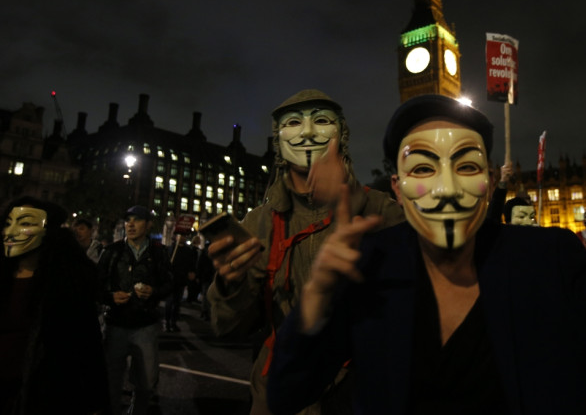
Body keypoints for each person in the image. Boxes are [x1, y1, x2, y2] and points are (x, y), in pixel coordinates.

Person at [267, 96, 586, 414]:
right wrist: (312, 308)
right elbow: (287, 395)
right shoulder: (369, 264)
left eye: (467, 166)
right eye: (423, 168)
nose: (447, 189)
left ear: (491, 181)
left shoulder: (550, 262)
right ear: (398, 186)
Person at [206, 89, 405, 415]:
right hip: (280, 394)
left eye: (322, 121)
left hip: (360, 391)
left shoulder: (382, 212)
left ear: (341, 134)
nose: (308, 132)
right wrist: (229, 286)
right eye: (294, 123)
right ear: (278, 139)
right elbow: (229, 326)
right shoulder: (259, 223)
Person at [0, 197, 108, 414]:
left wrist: (95, 401)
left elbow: (87, 346)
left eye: (25, 223)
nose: (10, 232)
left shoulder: (68, 286)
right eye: (8, 222)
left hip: (39, 396)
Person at [98, 205, 174, 415]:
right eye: (128, 220)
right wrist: (111, 296)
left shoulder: (158, 253)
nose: (130, 224)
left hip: (146, 326)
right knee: (112, 379)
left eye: (137, 220)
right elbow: (96, 285)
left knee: (147, 381)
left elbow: (170, 284)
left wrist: (154, 291)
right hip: (116, 324)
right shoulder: (112, 252)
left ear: (148, 225)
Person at [164, 233, 197, 332]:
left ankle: (173, 323)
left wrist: (192, 272)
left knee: (177, 303)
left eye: (184, 235)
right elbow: (165, 263)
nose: (182, 237)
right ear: (176, 237)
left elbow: (191, 264)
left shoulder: (188, 251)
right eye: (180, 235)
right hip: (171, 280)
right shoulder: (170, 249)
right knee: (169, 302)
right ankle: (167, 322)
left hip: (181, 280)